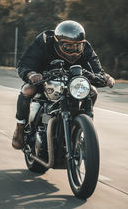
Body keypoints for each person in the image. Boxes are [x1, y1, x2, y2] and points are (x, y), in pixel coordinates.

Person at [12, 20, 115, 149]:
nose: (73, 51)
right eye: (68, 46)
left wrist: (105, 77)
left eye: (77, 46)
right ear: (57, 42)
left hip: (74, 82)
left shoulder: (86, 47)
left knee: (92, 91)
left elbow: (96, 69)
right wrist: (31, 74)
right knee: (27, 90)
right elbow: (25, 63)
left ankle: (83, 126)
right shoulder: (44, 42)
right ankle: (20, 128)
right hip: (44, 79)